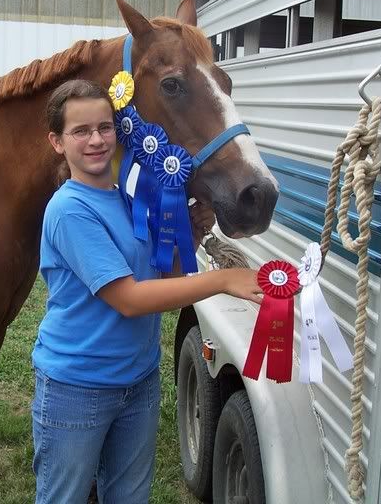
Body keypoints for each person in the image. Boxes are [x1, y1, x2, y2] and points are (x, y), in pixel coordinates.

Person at [32, 79, 262, 504]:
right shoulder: (69, 210)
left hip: (138, 381)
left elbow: (157, 277)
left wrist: (189, 236)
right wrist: (224, 280)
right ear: (57, 142)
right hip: (78, 388)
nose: (96, 140)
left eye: (104, 127)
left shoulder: (126, 199)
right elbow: (130, 299)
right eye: (80, 131)